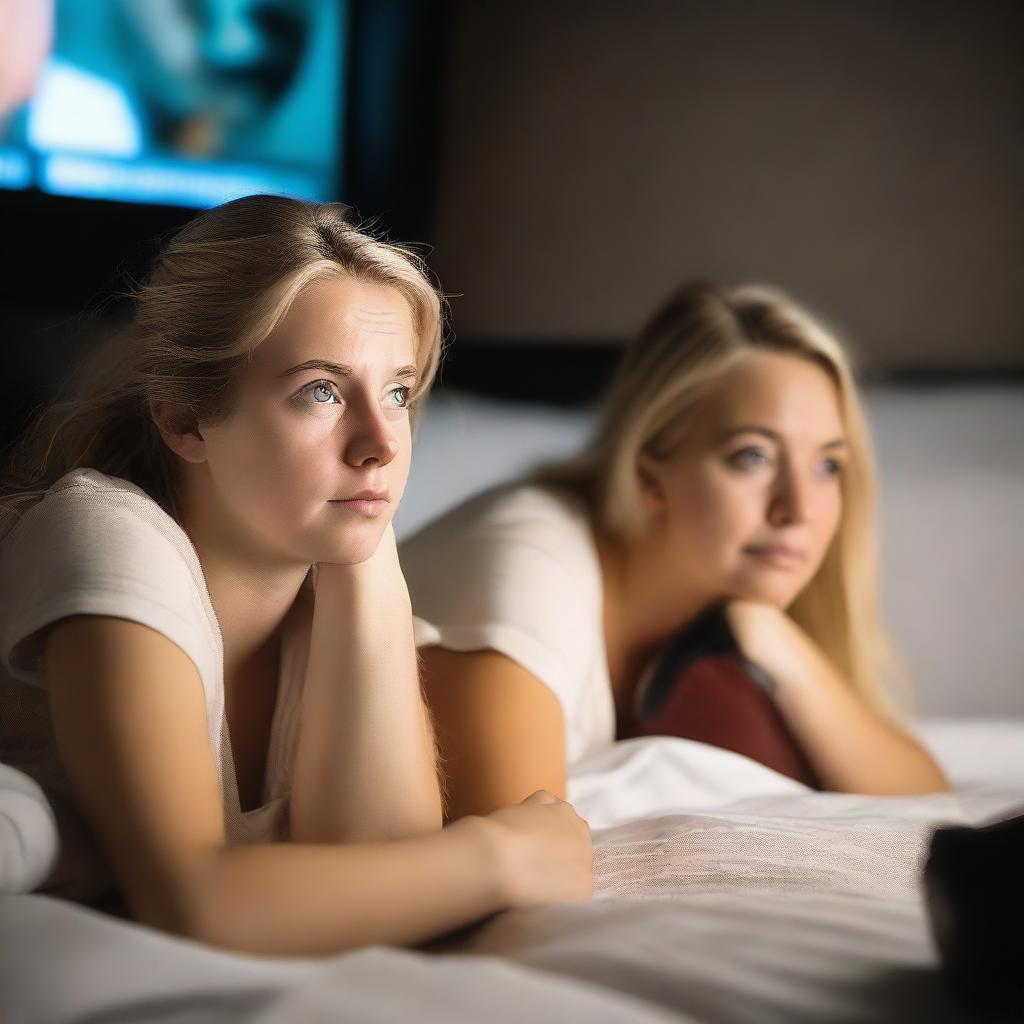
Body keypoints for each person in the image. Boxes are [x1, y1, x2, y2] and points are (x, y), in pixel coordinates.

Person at [0, 194, 591, 955]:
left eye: (398, 393)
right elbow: (192, 908)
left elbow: (376, 878)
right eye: (322, 391)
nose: (381, 443)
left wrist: (367, 557)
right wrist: (502, 857)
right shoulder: (105, 534)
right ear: (183, 419)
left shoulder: (334, 579)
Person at [401, 281, 949, 821]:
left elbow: (928, 796)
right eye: (752, 457)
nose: (799, 509)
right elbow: (515, 868)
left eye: (828, 465)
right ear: (649, 475)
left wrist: (779, 646)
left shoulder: (723, 619)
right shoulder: (527, 568)